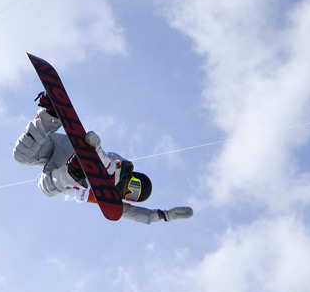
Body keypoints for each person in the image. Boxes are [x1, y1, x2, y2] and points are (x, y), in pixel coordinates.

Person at [13, 92, 193, 224]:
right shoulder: (119, 169)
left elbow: (140, 215)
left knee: (21, 157)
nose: (128, 191)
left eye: (132, 195)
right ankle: (88, 163)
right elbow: (116, 164)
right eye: (133, 186)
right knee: (50, 188)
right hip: (79, 154)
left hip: (62, 170)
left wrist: (163, 215)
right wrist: (98, 151)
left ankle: (50, 116)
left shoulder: (110, 200)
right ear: (132, 177)